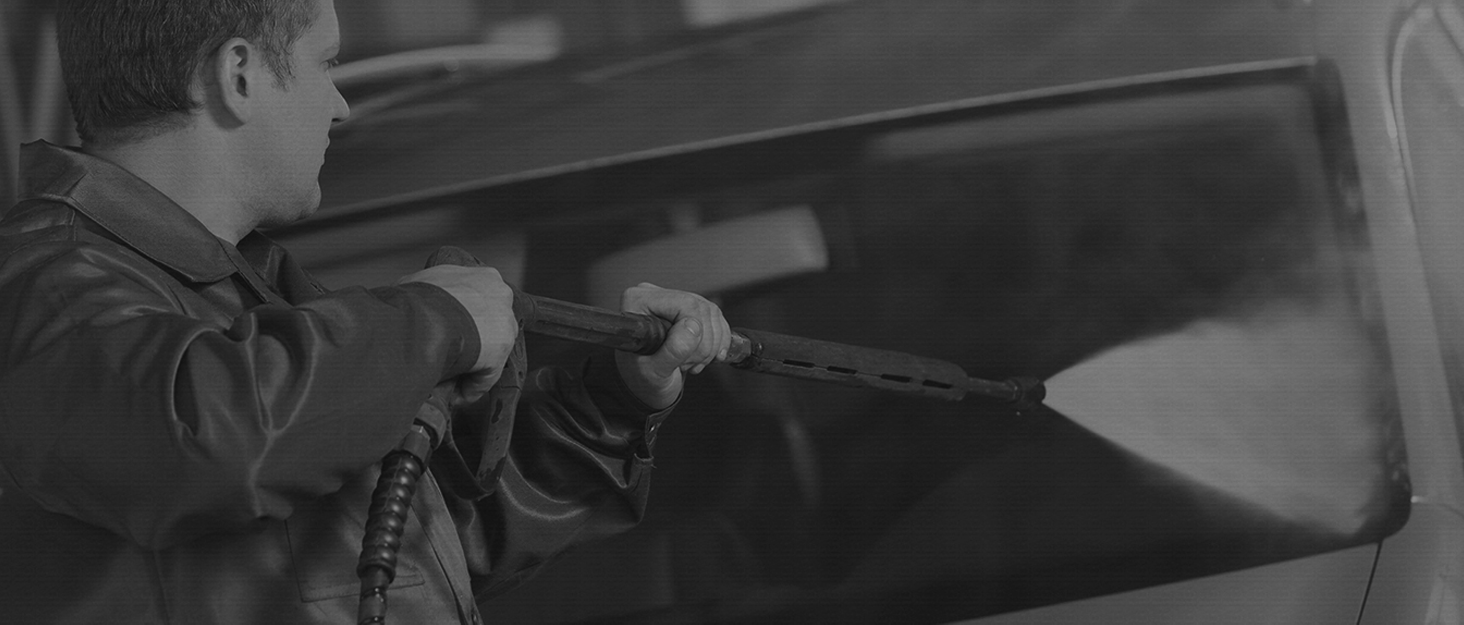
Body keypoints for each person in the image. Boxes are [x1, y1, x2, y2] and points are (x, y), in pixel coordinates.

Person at [0, 0, 732, 623]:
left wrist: (614, 401)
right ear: (239, 75)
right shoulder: (47, 283)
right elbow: (197, 442)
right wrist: (437, 321)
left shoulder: (255, 295)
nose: (340, 103)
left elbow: (418, 541)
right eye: (326, 64)